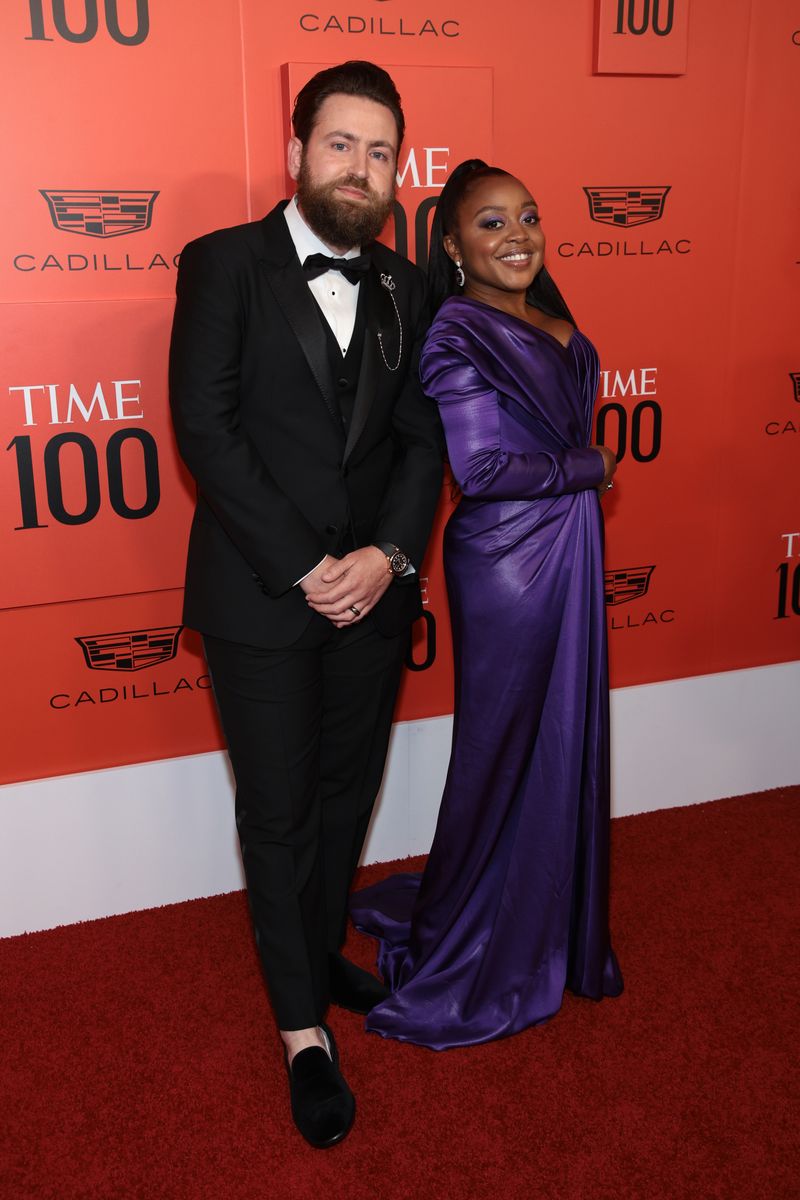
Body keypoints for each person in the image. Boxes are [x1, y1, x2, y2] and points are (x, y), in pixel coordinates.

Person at [168, 61, 442, 1145]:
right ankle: (301, 1034)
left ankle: (319, 945)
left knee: (344, 790)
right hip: (260, 597)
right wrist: (305, 565)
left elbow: (419, 442)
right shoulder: (223, 265)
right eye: (341, 144)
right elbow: (206, 429)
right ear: (295, 152)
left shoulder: (413, 287)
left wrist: (382, 555)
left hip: (373, 596)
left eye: (379, 153)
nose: (360, 169)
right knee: (277, 811)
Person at [351, 159, 624, 1049]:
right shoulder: (455, 331)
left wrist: (581, 484)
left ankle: (551, 914)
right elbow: (484, 472)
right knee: (503, 745)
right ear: (453, 245)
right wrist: (593, 467)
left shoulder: (553, 313)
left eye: (529, 217)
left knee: (564, 733)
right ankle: (474, 926)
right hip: (509, 562)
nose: (518, 236)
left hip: (573, 545)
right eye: (491, 223)